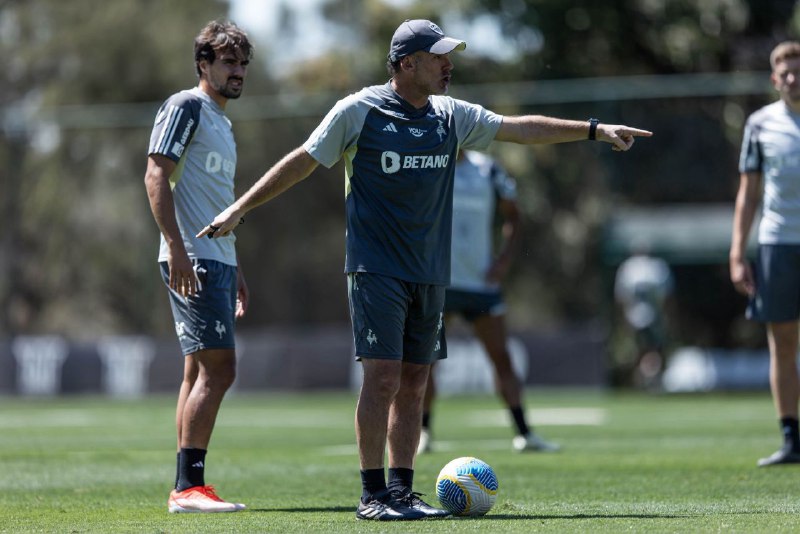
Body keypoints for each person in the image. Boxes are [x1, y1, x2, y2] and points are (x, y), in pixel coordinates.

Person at [198, 19, 652, 520]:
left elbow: (517, 129)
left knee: (416, 379)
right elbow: (304, 160)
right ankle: (373, 496)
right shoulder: (359, 111)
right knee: (384, 378)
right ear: (406, 63)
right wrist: (240, 208)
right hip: (376, 269)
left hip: (431, 273)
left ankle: (402, 490)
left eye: (447, 56)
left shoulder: (449, 115)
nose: (448, 65)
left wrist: (593, 130)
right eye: (438, 57)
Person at [144, 20, 253, 512]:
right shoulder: (187, 106)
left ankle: (185, 483)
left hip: (216, 259)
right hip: (194, 260)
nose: (238, 71)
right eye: (229, 61)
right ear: (203, 63)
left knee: (195, 373)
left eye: (243, 63)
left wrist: (237, 267)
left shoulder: (222, 121)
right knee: (220, 369)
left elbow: (213, 201)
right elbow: (155, 175)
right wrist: (178, 247)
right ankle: (189, 487)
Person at [417, 150, 560, 455]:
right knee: (425, 365)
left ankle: (524, 433)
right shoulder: (425, 161)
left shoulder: (489, 170)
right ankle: (423, 433)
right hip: (439, 282)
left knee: (502, 359)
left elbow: (514, 214)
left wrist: (504, 260)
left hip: (480, 285)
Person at [731, 40, 800, 467]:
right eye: (786, 73)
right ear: (775, 79)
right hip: (777, 244)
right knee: (783, 343)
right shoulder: (759, 125)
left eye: (799, 71)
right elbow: (748, 194)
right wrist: (737, 252)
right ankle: (792, 438)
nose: (793, 79)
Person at [613, 245, 674, 389]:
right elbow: (667, 298)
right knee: (651, 350)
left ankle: (645, 381)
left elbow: (621, 299)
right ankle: (648, 381)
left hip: (636, 317)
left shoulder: (628, 268)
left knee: (643, 351)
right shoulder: (657, 267)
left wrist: (624, 319)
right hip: (649, 317)